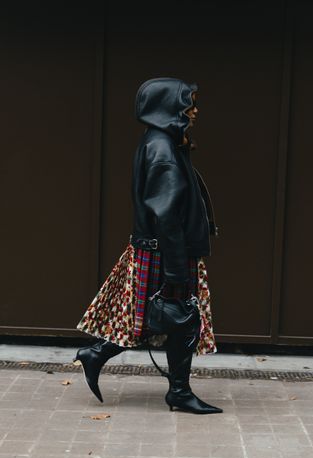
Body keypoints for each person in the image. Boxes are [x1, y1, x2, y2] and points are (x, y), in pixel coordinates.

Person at [74, 77, 223, 414]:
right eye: (189, 104)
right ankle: (179, 393)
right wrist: (175, 271)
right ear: (169, 107)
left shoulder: (161, 142)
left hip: (159, 249)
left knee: (153, 319)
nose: (195, 110)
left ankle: (97, 355)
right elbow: (167, 216)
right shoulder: (163, 149)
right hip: (167, 251)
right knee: (181, 320)